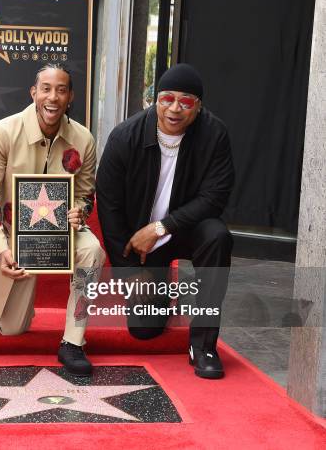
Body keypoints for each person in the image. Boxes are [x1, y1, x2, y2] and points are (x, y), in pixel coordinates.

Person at [96, 63, 235, 379]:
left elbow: (215, 197)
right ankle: (162, 294)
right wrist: (129, 273)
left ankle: (203, 346)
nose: (175, 108)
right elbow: (109, 207)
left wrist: (161, 227)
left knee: (217, 236)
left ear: (198, 107)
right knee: (144, 330)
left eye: (185, 102)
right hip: (143, 247)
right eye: (166, 99)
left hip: (186, 230)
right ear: (153, 100)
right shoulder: (124, 137)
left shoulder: (214, 135)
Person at [0, 64, 106, 377]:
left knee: (93, 251)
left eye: (61, 89)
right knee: (11, 330)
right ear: (34, 93)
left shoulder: (83, 140)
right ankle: (21, 303)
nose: (53, 96)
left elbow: (85, 196)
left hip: (63, 232)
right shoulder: (3, 132)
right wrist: (1, 250)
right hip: (14, 238)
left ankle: (73, 341)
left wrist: (80, 211)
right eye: (46, 88)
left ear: (70, 96)